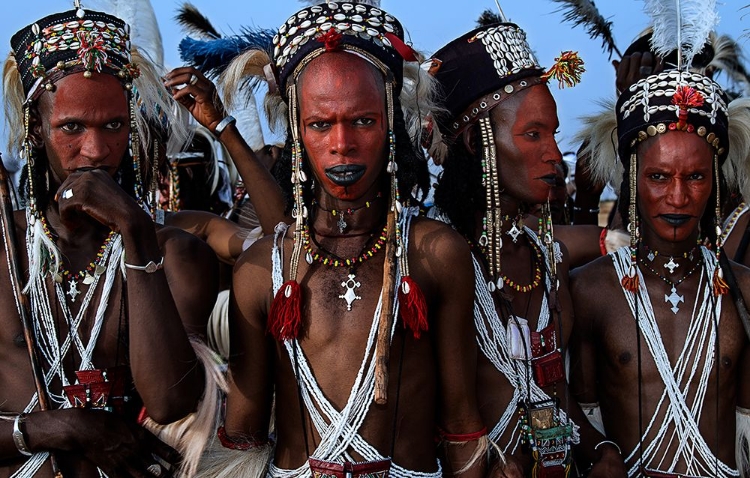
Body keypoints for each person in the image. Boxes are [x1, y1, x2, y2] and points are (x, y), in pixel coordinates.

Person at [202, 2, 488, 477]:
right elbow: (244, 433)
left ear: (391, 125)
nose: (342, 143)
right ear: (297, 130)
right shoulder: (263, 269)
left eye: (363, 121)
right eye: (320, 124)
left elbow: (461, 424)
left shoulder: (436, 255)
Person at [0, 4, 220, 477]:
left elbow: (168, 402)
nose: (96, 151)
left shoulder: (176, 253)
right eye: (71, 128)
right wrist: (62, 428)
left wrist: (136, 232)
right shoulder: (3, 249)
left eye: (114, 126)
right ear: (36, 129)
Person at [428, 16, 626, 477]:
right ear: (478, 143)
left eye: (553, 133)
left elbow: (552, 393)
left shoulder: (545, 259)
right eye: (533, 134)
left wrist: (599, 449)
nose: (554, 153)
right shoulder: (432, 258)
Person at [569, 60, 750, 476]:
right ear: (632, 180)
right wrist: (600, 453)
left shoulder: (742, 290)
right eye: (659, 176)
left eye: (696, 177)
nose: (678, 196)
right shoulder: (591, 290)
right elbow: (576, 409)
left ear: (716, 184)